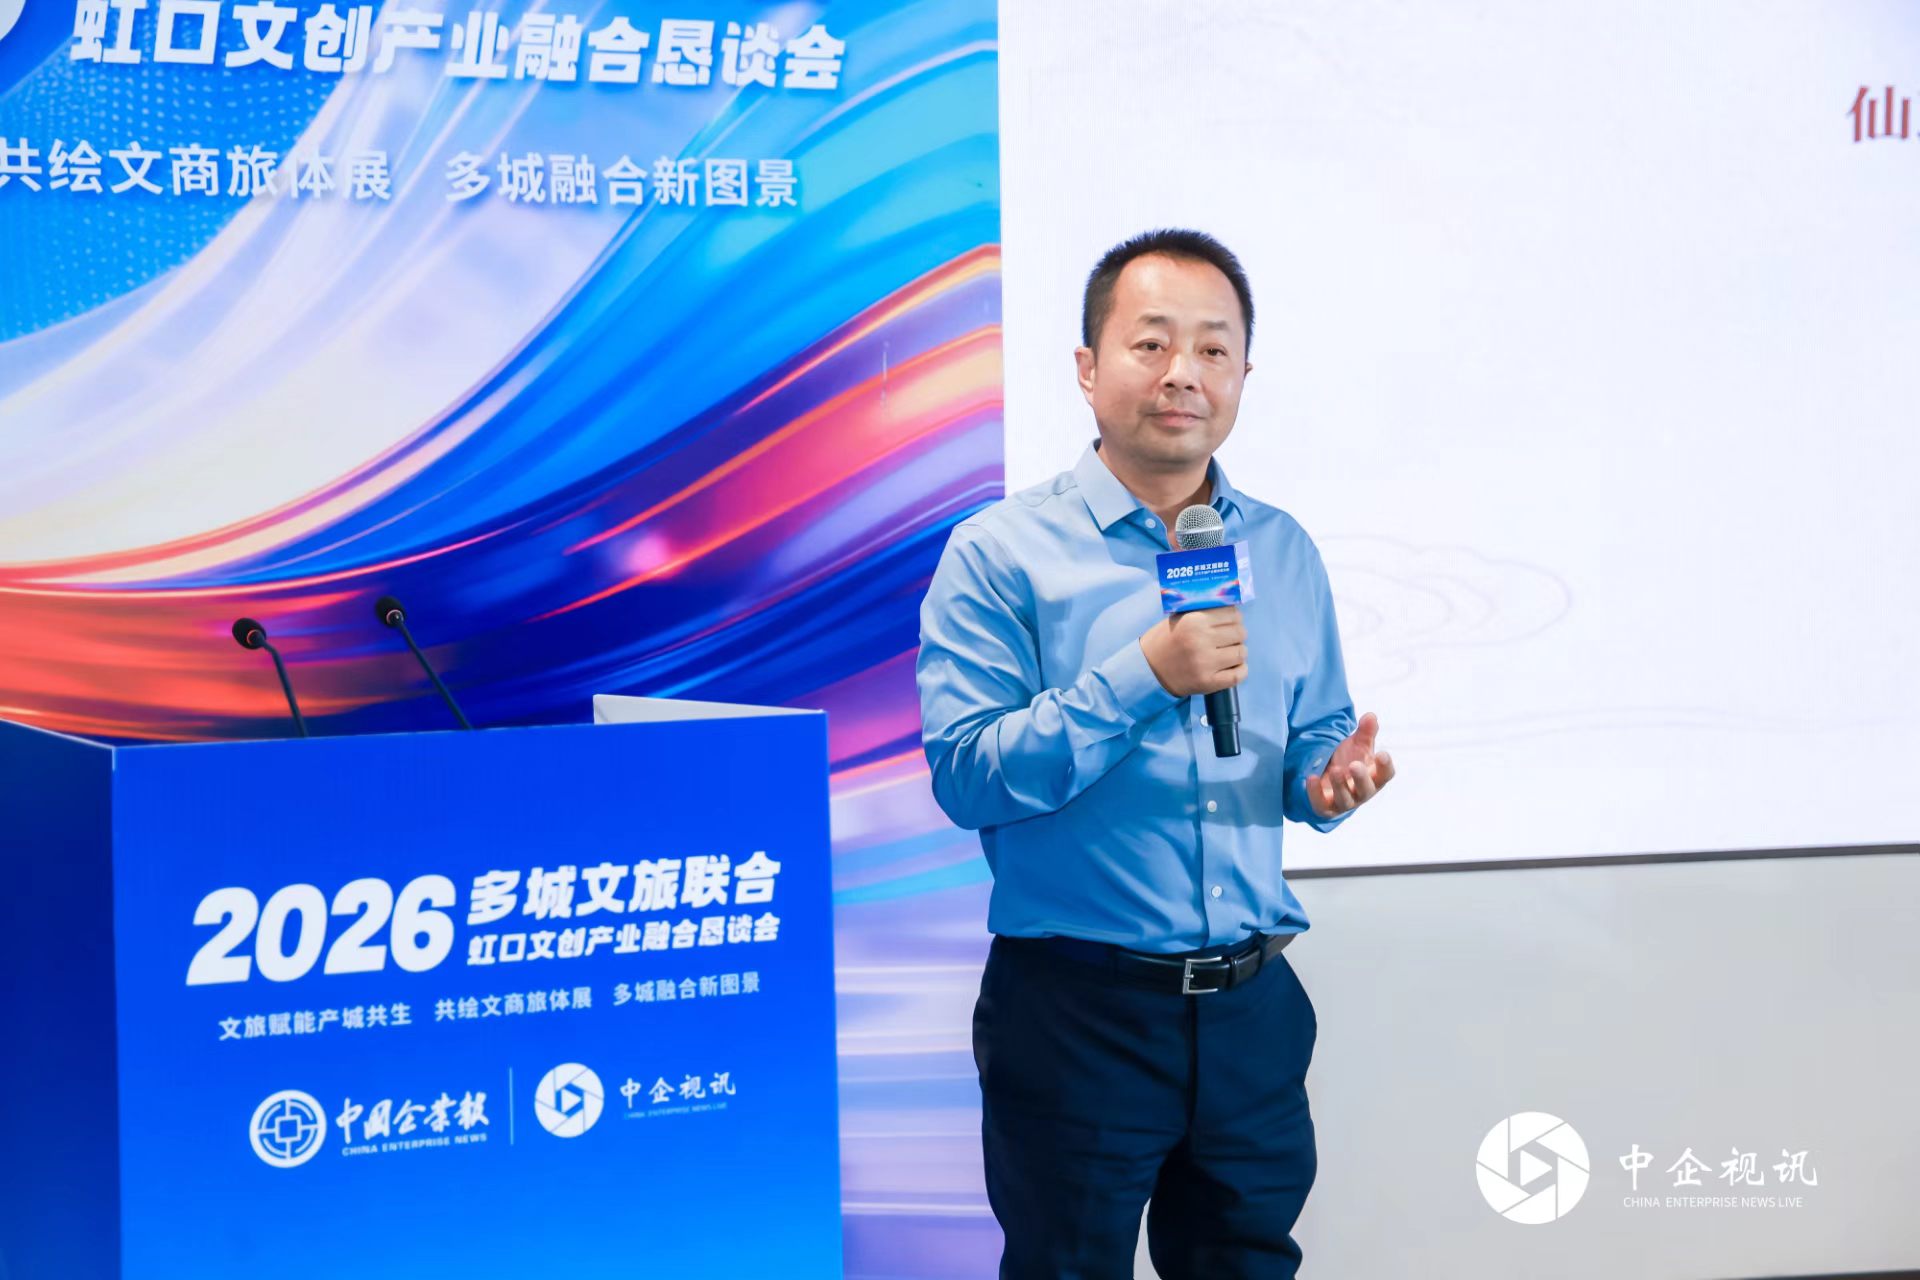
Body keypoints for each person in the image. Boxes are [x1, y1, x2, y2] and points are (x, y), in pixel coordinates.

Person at [915, 228, 1396, 1279]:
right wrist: (1147, 674)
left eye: (1214, 349)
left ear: (1244, 376)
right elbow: (969, 773)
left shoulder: (1281, 547)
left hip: (1253, 1010)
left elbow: (1313, 731)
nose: (1184, 373)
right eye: (1151, 343)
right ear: (1088, 368)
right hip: (1078, 1011)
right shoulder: (1000, 554)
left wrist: (1326, 783)